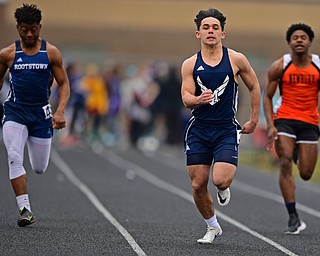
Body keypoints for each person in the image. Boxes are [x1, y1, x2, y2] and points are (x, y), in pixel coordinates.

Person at [181, 8, 260, 244]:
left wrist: (254, 119)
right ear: (198, 34)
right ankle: (212, 226)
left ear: (222, 34)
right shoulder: (190, 64)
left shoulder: (235, 59)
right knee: (197, 184)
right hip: (199, 129)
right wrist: (198, 99)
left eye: (215, 27)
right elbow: (185, 97)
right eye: (206, 27)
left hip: (226, 128)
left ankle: (224, 189)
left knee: (221, 180)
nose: (211, 31)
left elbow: (254, 86)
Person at [0, 4, 70, 227]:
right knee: (13, 155)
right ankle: (24, 209)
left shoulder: (51, 53)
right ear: (18, 28)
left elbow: (64, 84)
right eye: (23, 29)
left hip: (41, 116)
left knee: (40, 167)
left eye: (33, 29)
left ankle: (25, 196)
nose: (29, 34)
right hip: (15, 112)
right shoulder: (8, 54)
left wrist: (59, 111)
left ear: (39, 27)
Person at [263, 23, 319, 235]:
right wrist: (270, 126)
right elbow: (268, 97)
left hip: (309, 122)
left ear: (310, 42)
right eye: (294, 37)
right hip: (285, 118)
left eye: (303, 37)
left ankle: (296, 149)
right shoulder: (280, 66)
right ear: (289, 42)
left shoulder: (318, 66)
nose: (298, 40)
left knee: (305, 173)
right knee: (285, 161)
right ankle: (293, 216)